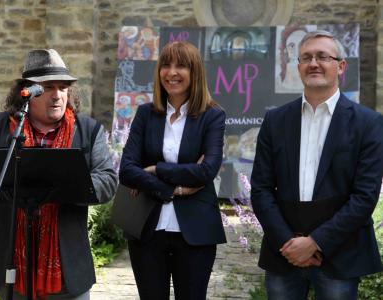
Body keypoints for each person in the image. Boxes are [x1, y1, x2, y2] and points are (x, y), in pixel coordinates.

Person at [0, 49, 117, 299]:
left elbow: (108, 181)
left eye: (63, 87)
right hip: (10, 262)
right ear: (26, 91)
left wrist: (66, 185)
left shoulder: (88, 131)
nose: (58, 95)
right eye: (48, 87)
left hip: (67, 267)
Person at [251, 30, 383, 300]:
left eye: (323, 56)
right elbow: (261, 188)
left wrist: (314, 243)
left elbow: (364, 196)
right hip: (283, 253)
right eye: (306, 57)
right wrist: (288, 243)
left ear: (341, 66)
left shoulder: (368, 123)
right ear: (298, 66)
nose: (314, 63)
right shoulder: (276, 121)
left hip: (340, 254)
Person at [119, 41, 226, 300]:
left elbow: (206, 171)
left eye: (181, 66)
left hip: (196, 232)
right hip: (147, 228)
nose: (171, 72)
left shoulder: (213, 115)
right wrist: (173, 189)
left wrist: (156, 169)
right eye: (166, 65)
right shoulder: (146, 113)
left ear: (195, 72)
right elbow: (128, 171)